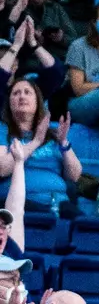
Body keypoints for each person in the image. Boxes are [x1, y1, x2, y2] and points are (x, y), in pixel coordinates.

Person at [0, 78, 79, 215]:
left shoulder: (53, 133)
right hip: (19, 204)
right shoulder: (2, 130)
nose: (22, 96)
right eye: (16, 93)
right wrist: (35, 142)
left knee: (85, 228)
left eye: (27, 92)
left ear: (38, 102)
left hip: (59, 203)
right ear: (9, 104)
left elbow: (74, 176)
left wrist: (63, 143)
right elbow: (2, 168)